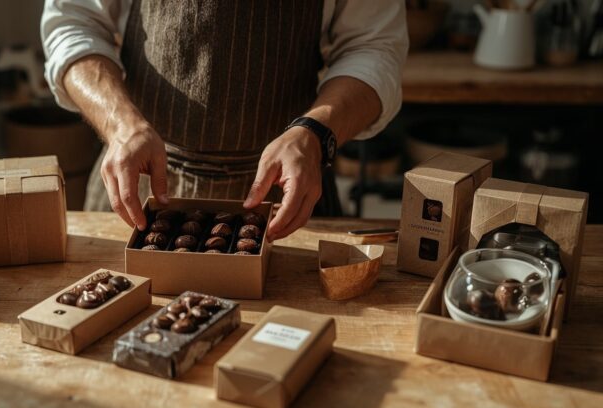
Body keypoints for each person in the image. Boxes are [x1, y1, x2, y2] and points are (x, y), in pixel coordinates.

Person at [42, 0, 408, 240]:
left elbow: (373, 47)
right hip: (137, 190)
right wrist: (120, 124)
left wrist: (314, 132)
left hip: (288, 205)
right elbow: (73, 24)